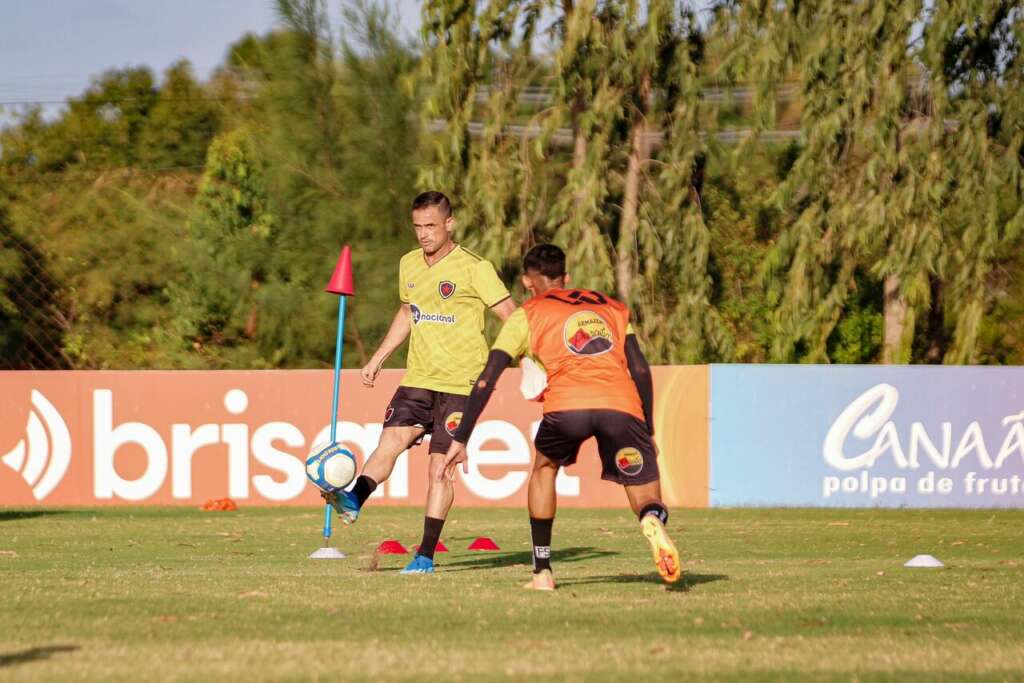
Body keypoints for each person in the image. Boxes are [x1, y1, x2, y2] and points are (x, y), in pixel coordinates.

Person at [441, 244, 680, 589]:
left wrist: (461, 436)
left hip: (567, 407)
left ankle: (543, 571)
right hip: (621, 405)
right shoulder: (610, 306)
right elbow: (640, 368)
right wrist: (648, 427)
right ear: (566, 278)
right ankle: (651, 518)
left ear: (527, 281)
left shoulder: (527, 314)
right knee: (644, 493)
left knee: (544, 469)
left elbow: (486, 378)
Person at [322, 191, 516, 574]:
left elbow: (512, 316)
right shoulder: (409, 264)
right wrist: (378, 358)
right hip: (419, 377)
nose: (424, 234)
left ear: (449, 224)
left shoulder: (476, 267)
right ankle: (354, 500)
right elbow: (408, 312)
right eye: (418, 227)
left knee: (438, 468)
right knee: (390, 441)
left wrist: (524, 360)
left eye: (431, 226)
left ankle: (425, 555)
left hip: (462, 384)